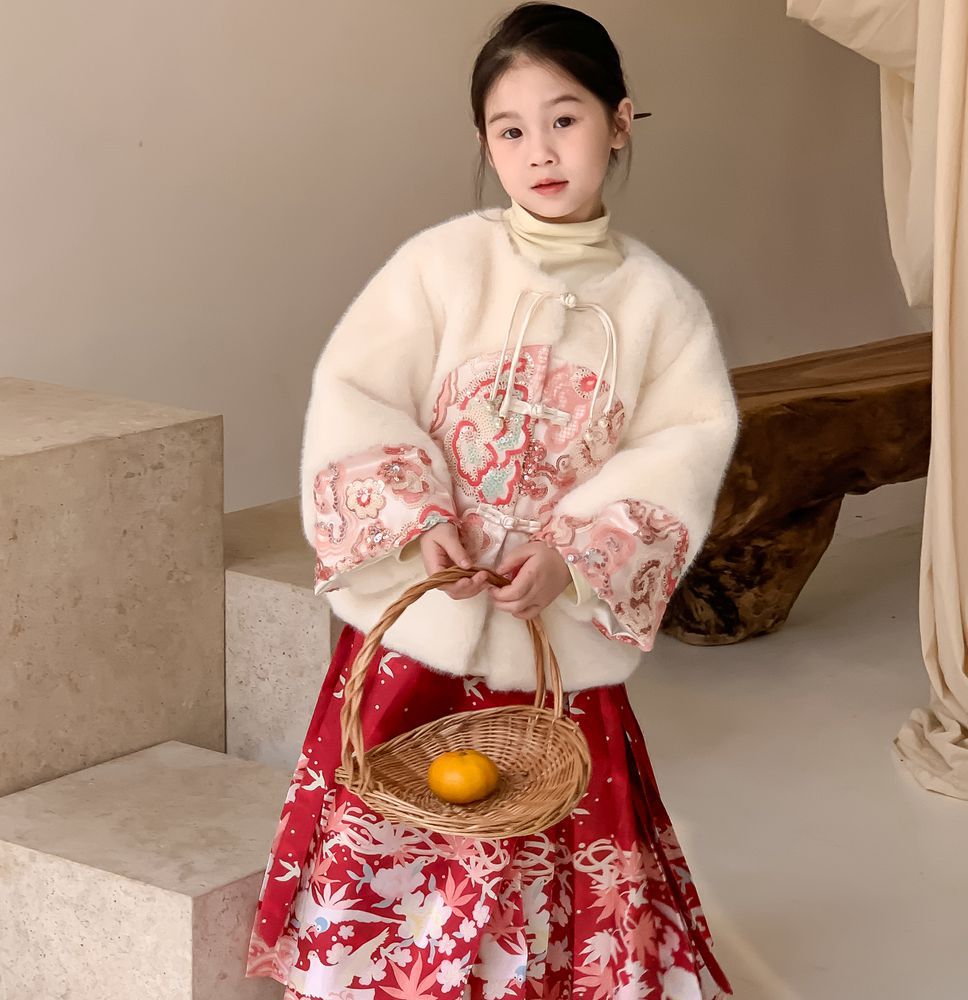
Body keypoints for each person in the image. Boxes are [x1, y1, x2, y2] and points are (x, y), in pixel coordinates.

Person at [246, 4, 740, 998]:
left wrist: (574, 554)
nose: (539, 151)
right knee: (397, 799)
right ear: (484, 143)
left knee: (550, 810)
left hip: (553, 633)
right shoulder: (440, 268)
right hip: (429, 615)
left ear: (620, 121)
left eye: (565, 118)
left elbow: (681, 448)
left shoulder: (660, 306)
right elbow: (358, 392)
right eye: (509, 130)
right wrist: (421, 522)